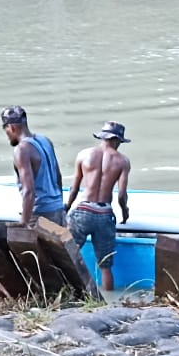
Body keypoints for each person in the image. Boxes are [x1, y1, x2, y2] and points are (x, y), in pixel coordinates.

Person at [65, 121, 132, 291]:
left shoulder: (83, 155)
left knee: (67, 255)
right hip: (104, 213)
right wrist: (125, 213)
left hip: (83, 210)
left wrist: (66, 207)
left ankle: (65, 292)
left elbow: (74, 188)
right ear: (117, 140)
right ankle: (107, 302)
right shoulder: (122, 161)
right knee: (105, 266)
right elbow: (122, 195)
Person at [1, 105, 65, 227]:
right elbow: (58, 177)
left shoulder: (22, 150)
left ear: (12, 127)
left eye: (6, 130)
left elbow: (29, 191)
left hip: (41, 213)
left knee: (31, 246)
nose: (7, 134)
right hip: (57, 208)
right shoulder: (45, 140)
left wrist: (24, 222)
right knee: (56, 246)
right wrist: (60, 207)